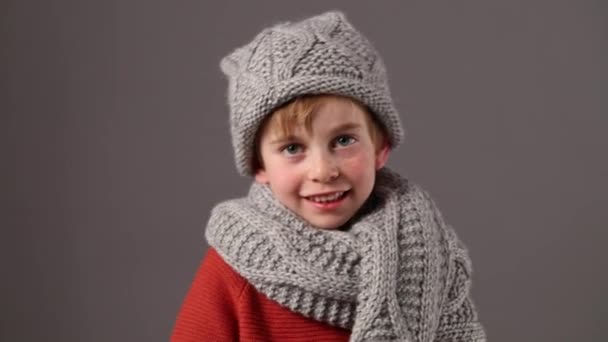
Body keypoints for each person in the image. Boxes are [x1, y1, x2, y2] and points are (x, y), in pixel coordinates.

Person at [172, 10, 486, 342]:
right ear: (259, 165)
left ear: (381, 147)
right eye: (293, 148)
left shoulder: (429, 259)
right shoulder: (234, 268)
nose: (323, 171)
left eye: (343, 141)